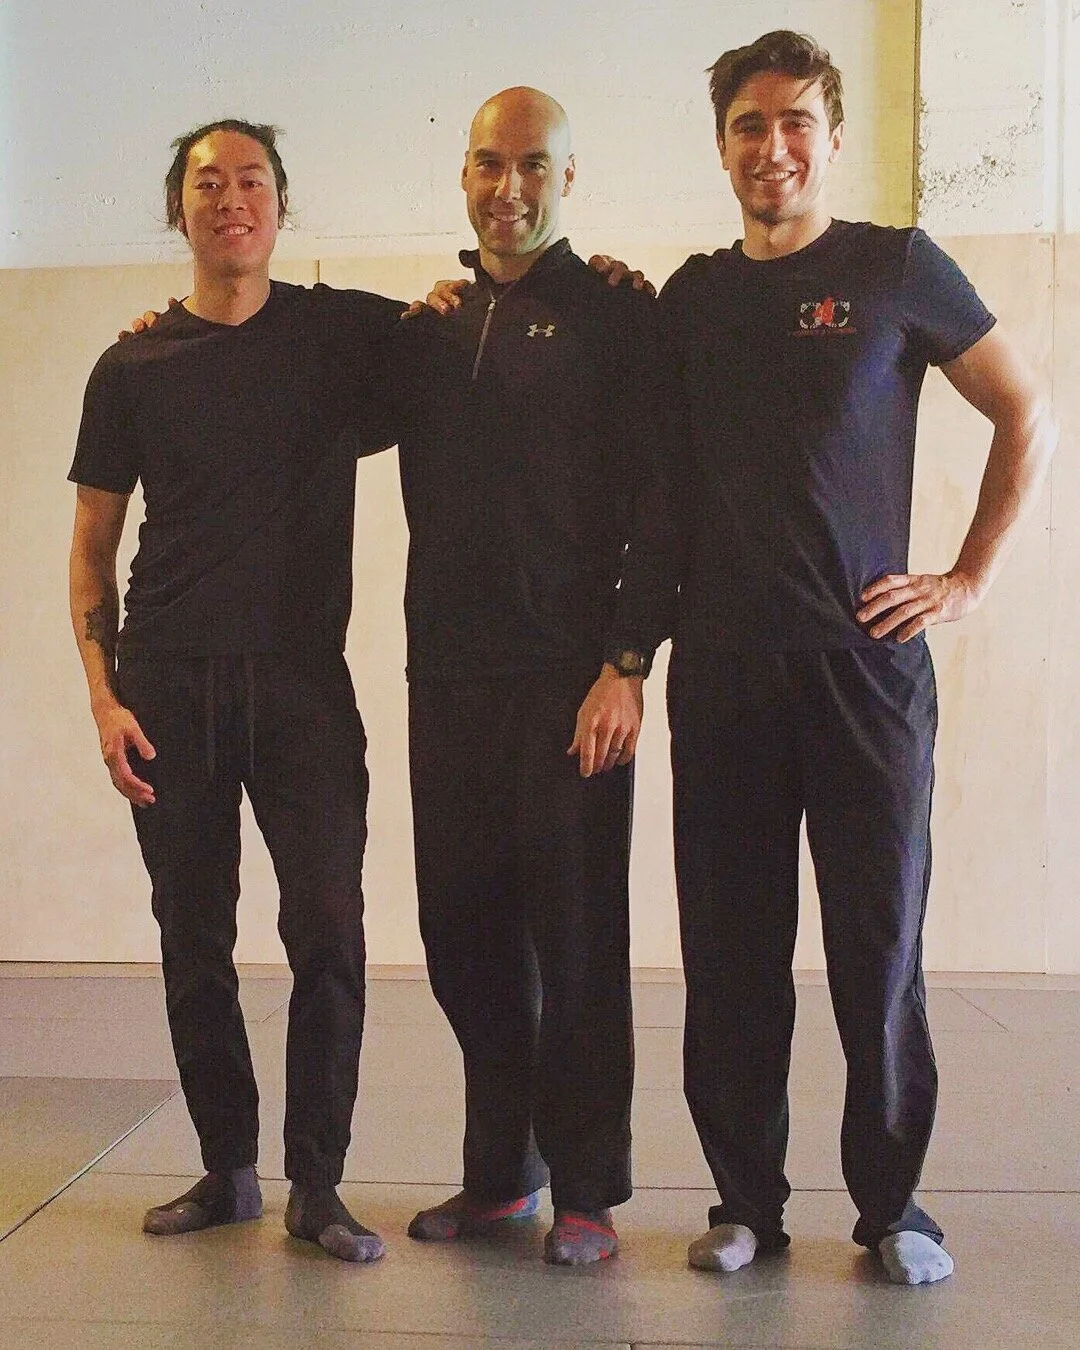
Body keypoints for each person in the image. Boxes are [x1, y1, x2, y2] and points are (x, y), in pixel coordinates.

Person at [601, 30, 1056, 1285]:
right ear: (723, 148)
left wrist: (967, 578)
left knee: (879, 948)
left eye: (795, 121)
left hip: (866, 675)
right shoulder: (691, 299)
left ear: (833, 137)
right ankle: (746, 1202)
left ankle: (895, 1209)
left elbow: (1027, 408)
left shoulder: (896, 268)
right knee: (732, 953)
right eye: (748, 126)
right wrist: (630, 651)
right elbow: (661, 497)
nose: (772, 146)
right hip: (731, 677)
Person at [68, 118, 406, 1264]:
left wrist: (591, 279)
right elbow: (91, 548)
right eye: (207, 183)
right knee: (191, 936)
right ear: (181, 211)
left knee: (328, 930)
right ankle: (229, 1169)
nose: (231, 199)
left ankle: (321, 1182)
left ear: (280, 205)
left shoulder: (342, 332)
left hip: (304, 683)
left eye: (251, 179)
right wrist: (104, 696)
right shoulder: (131, 365)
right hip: (167, 683)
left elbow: (478, 328)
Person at [387, 86, 670, 1265]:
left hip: (571, 684)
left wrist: (626, 662)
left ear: (569, 176)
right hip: (445, 677)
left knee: (576, 935)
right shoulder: (427, 329)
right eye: (490, 164)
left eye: (535, 165)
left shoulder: (615, 314)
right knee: (462, 931)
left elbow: (662, 501)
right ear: (463, 175)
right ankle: (500, 1173)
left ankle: (589, 1191)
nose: (511, 186)